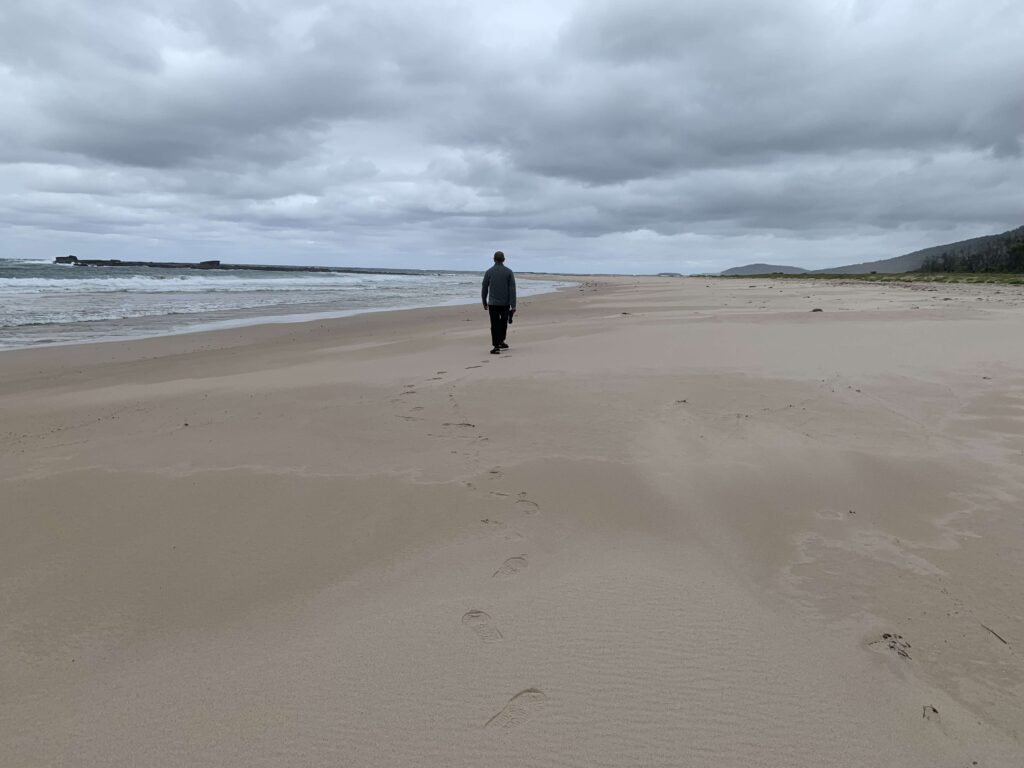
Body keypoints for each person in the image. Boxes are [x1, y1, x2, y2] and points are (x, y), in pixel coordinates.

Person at [481, 250, 517, 354]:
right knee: (503, 322)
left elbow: (484, 288)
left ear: (493, 259)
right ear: (504, 260)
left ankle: (496, 345)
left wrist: (484, 301)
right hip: (505, 304)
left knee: (494, 324)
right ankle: (501, 341)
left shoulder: (489, 272)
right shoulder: (509, 272)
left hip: (493, 304)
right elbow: (512, 289)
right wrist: (513, 305)